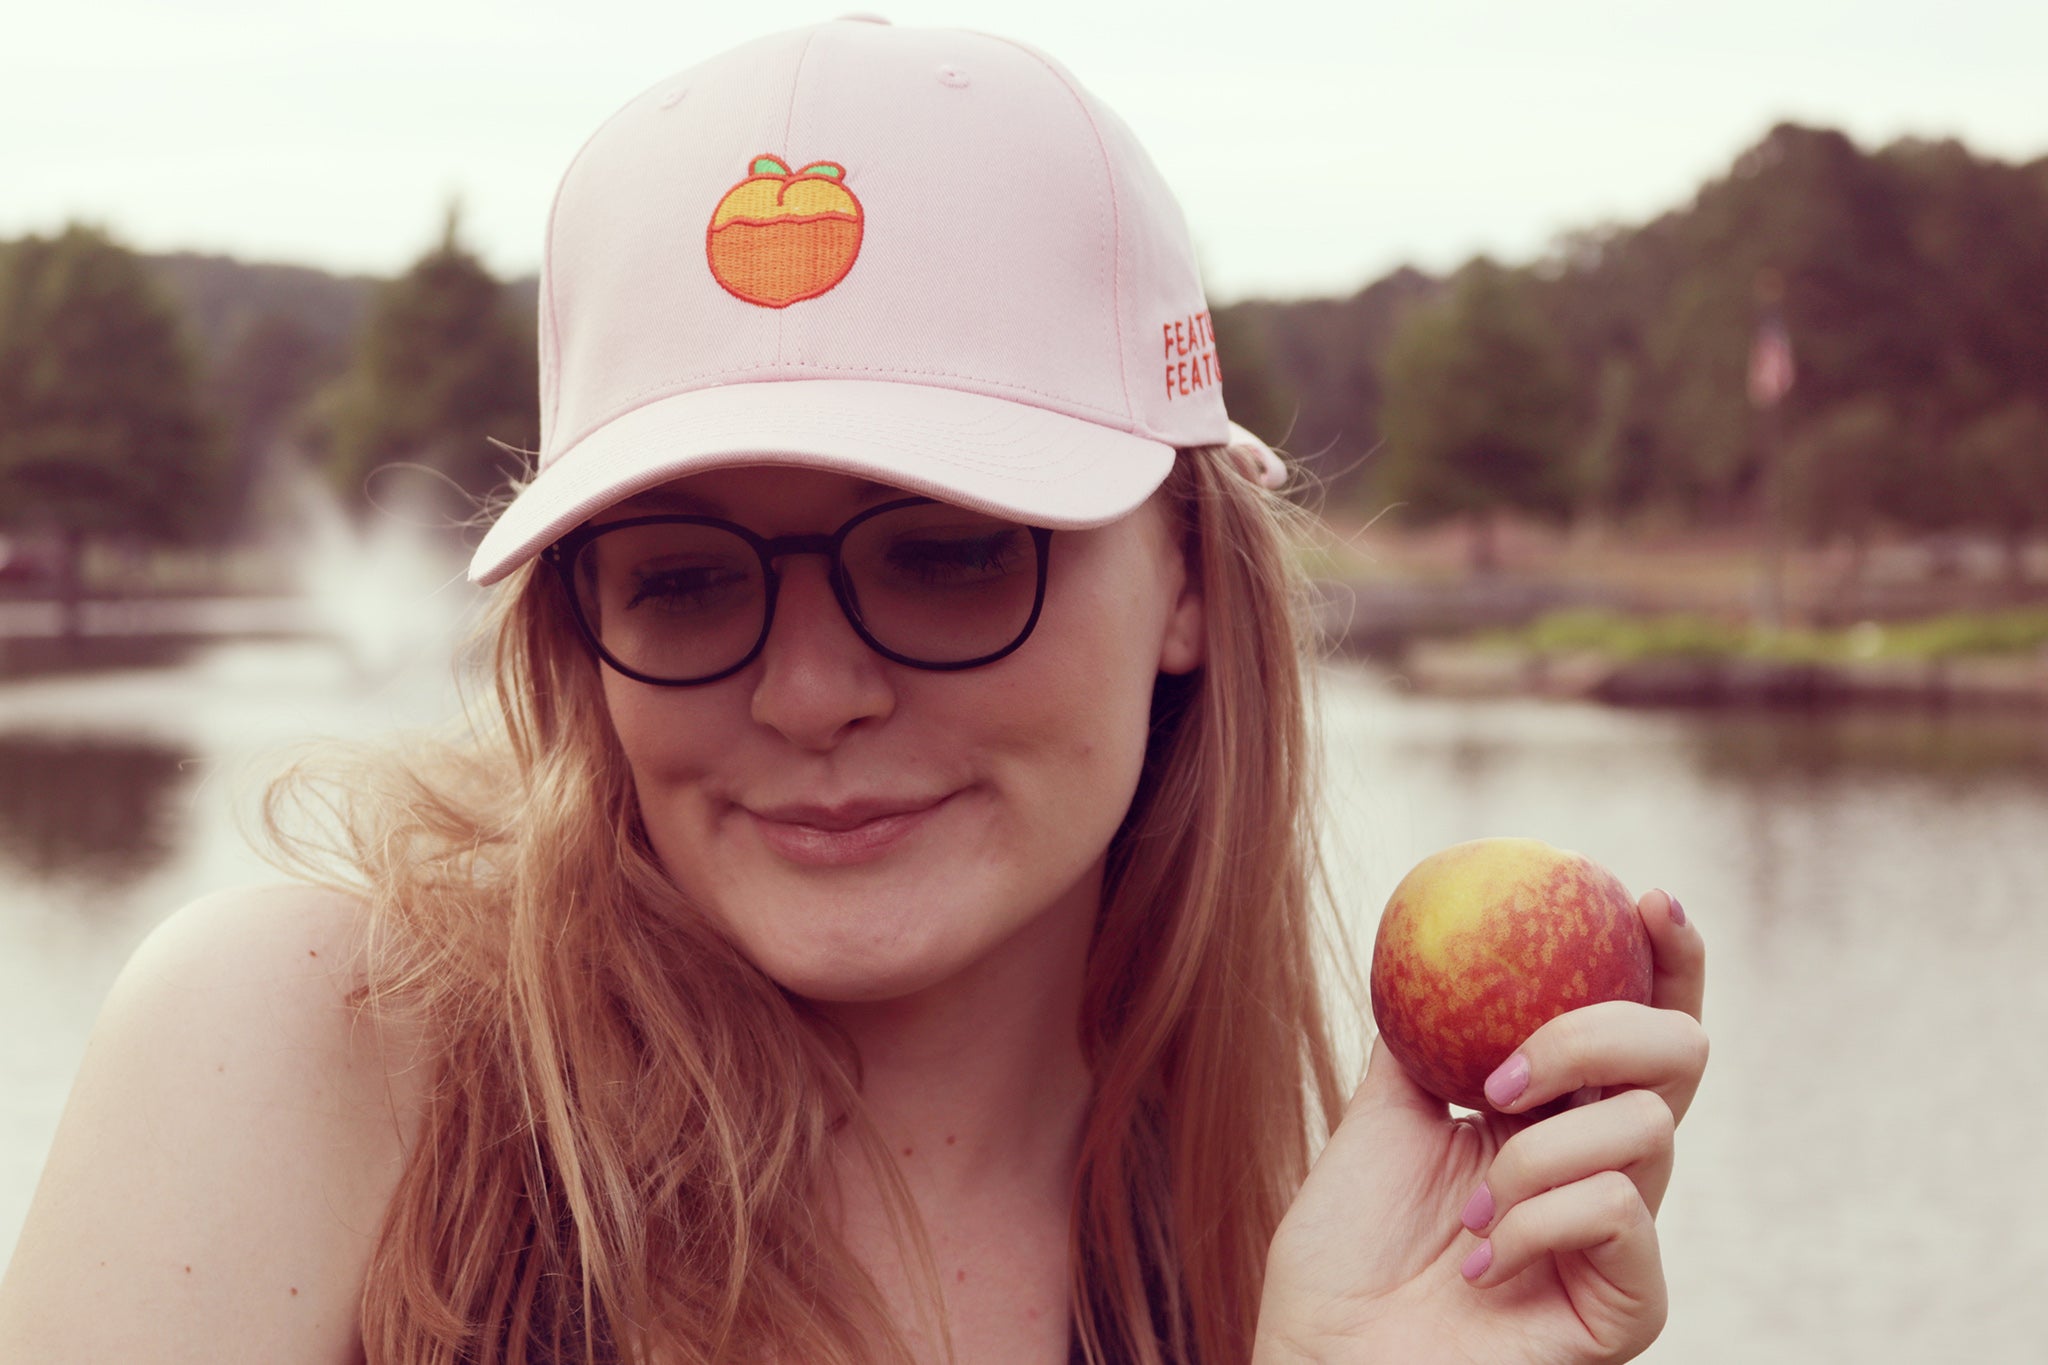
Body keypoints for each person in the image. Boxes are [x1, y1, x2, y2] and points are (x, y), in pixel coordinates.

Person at [0, 18, 1708, 1365]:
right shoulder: (316, 1054)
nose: (810, 689)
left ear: (1187, 571)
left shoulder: (1270, 1245)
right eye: (679, 575)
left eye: (950, 551)